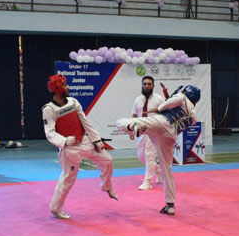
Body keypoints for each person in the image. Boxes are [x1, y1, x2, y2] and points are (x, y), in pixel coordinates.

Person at [115, 85, 201, 216]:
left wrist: (169, 100)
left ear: (187, 92)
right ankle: (170, 205)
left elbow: (161, 108)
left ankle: (133, 126)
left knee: (120, 121)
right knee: (166, 168)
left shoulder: (181, 97)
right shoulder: (194, 114)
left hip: (162, 122)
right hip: (171, 135)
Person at [43, 74, 118, 219]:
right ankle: (56, 208)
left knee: (107, 160)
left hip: (85, 141)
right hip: (69, 149)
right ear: (58, 89)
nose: (68, 87)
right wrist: (64, 141)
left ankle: (107, 186)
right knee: (68, 179)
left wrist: (96, 140)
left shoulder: (73, 102)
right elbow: (49, 133)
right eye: (64, 85)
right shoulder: (49, 109)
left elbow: (85, 121)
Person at [130, 76, 165, 190]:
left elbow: (165, 114)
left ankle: (148, 181)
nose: (147, 86)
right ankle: (158, 170)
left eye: (149, 84)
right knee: (141, 157)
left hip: (154, 131)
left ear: (153, 86)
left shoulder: (159, 99)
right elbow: (134, 116)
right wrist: (131, 130)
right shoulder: (138, 100)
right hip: (141, 131)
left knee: (149, 155)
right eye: (145, 84)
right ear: (142, 85)